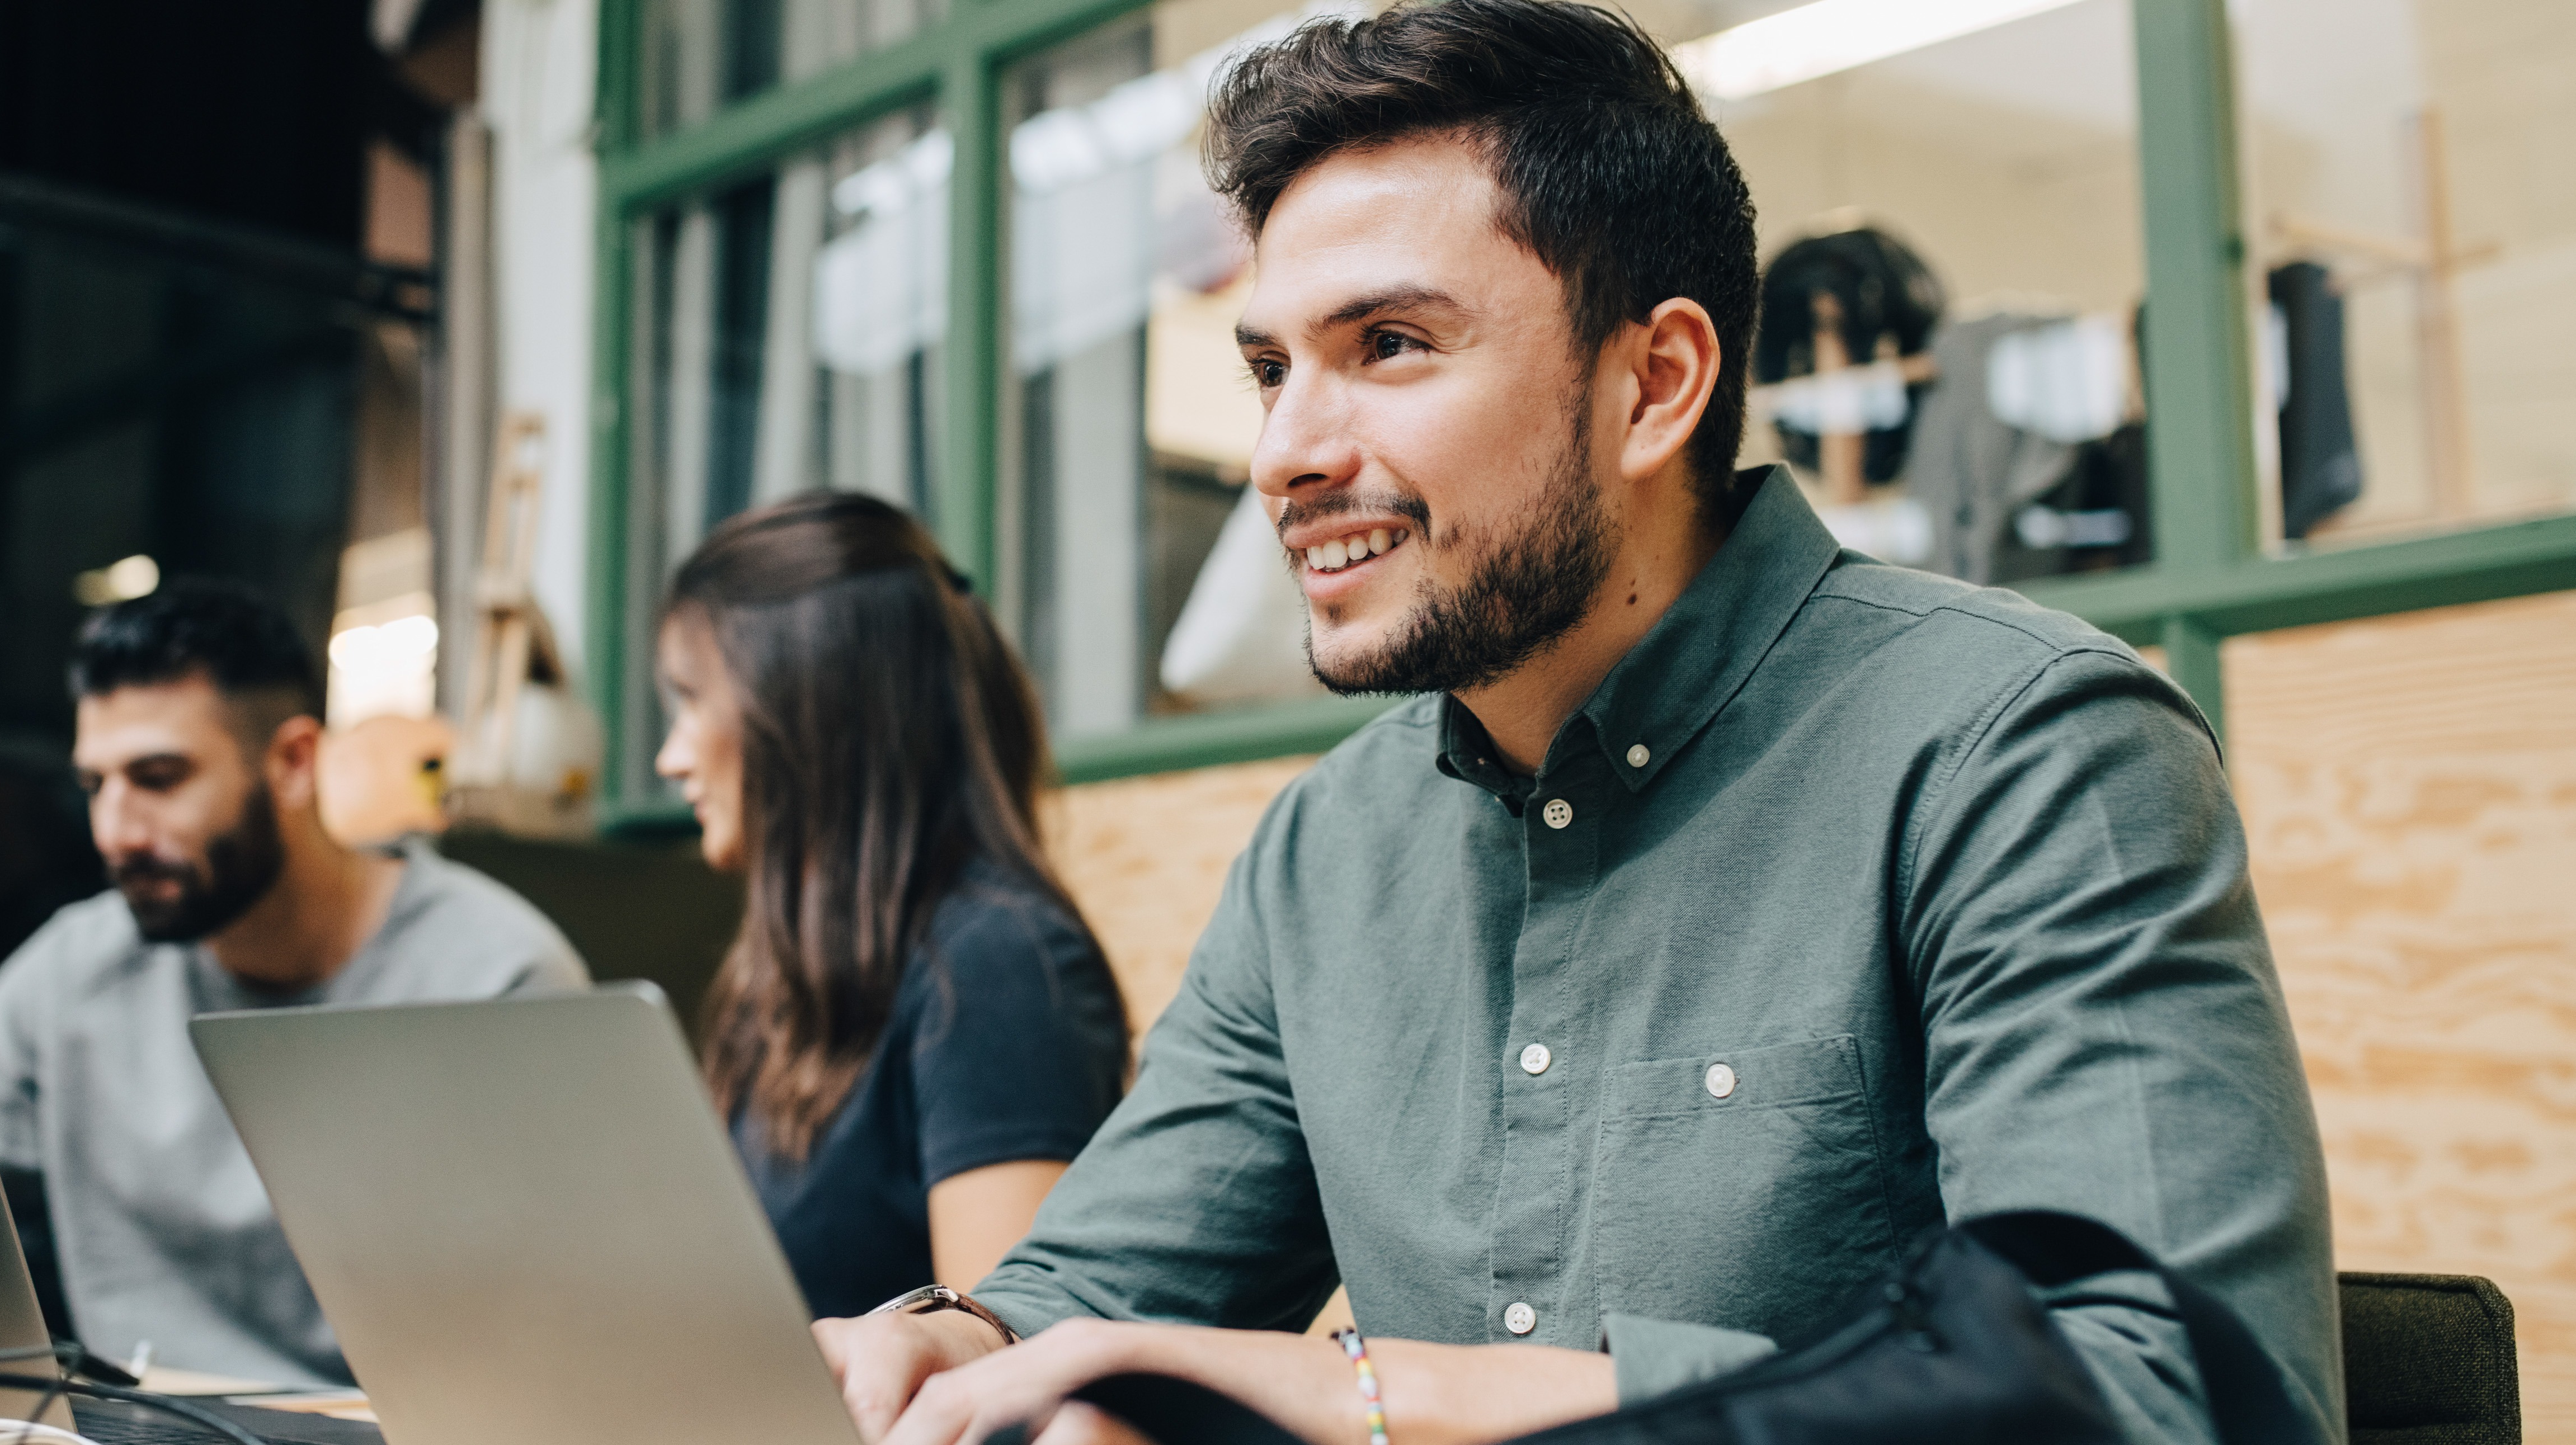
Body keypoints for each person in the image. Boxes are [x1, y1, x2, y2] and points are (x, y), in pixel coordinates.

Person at [811, 4, 2343, 1444]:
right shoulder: (1323, 852)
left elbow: (2161, 1395)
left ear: (1653, 385)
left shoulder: (2020, 749)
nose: (1280, 453)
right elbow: (1094, 1284)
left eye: (1388, 345)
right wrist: (956, 1338)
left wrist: (1382, 1393)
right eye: (1271, 369)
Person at [0, 579, 587, 1386]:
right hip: (129, 1428)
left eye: (159, 778)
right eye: (96, 786)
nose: (116, 832)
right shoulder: (72, 971)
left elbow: (570, 1338)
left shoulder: (498, 980)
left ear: (294, 763)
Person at [652, 493, 1132, 1322]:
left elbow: (1001, 1360)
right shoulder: (785, 979)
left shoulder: (998, 965)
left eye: (693, 701)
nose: (671, 757)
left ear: (803, 707)